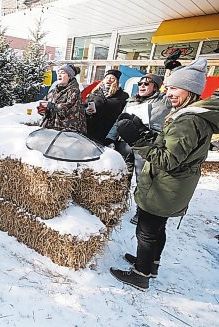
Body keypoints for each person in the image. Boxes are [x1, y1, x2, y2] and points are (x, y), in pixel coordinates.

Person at [110, 58, 219, 291]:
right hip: (174, 185)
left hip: (166, 186)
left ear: (190, 90)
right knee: (158, 228)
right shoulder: (188, 114)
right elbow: (168, 147)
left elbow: (166, 160)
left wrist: (137, 139)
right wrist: (144, 132)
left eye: (174, 88)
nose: (168, 93)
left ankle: (140, 275)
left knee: (147, 231)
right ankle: (150, 264)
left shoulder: (188, 120)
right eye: (167, 88)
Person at [105, 73, 172, 224]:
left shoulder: (163, 101)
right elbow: (119, 121)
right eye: (140, 83)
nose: (142, 86)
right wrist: (111, 137)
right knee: (121, 177)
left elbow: (177, 89)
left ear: (156, 87)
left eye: (146, 84)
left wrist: (172, 68)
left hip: (145, 146)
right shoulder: (132, 101)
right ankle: (117, 206)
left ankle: (141, 211)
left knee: (143, 180)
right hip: (125, 144)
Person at [37, 63, 87, 134]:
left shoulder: (74, 91)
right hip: (51, 130)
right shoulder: (53, 91)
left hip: (67, 132)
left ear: (69, 76)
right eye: (58, 73)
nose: (59, 75)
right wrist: (43, 110)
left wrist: (52, 106)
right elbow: (46, 106)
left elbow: (68, 109)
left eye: (63, 73)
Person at [85, 69, 129, 143]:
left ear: (117, 81)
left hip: (109, 131)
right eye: (107, 77)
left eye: (112, 78)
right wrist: (87, 111)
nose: (109, 80)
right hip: (92, 130)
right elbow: (84, 107)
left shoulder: (122, 95)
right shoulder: (95, 93)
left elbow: (124, 114)